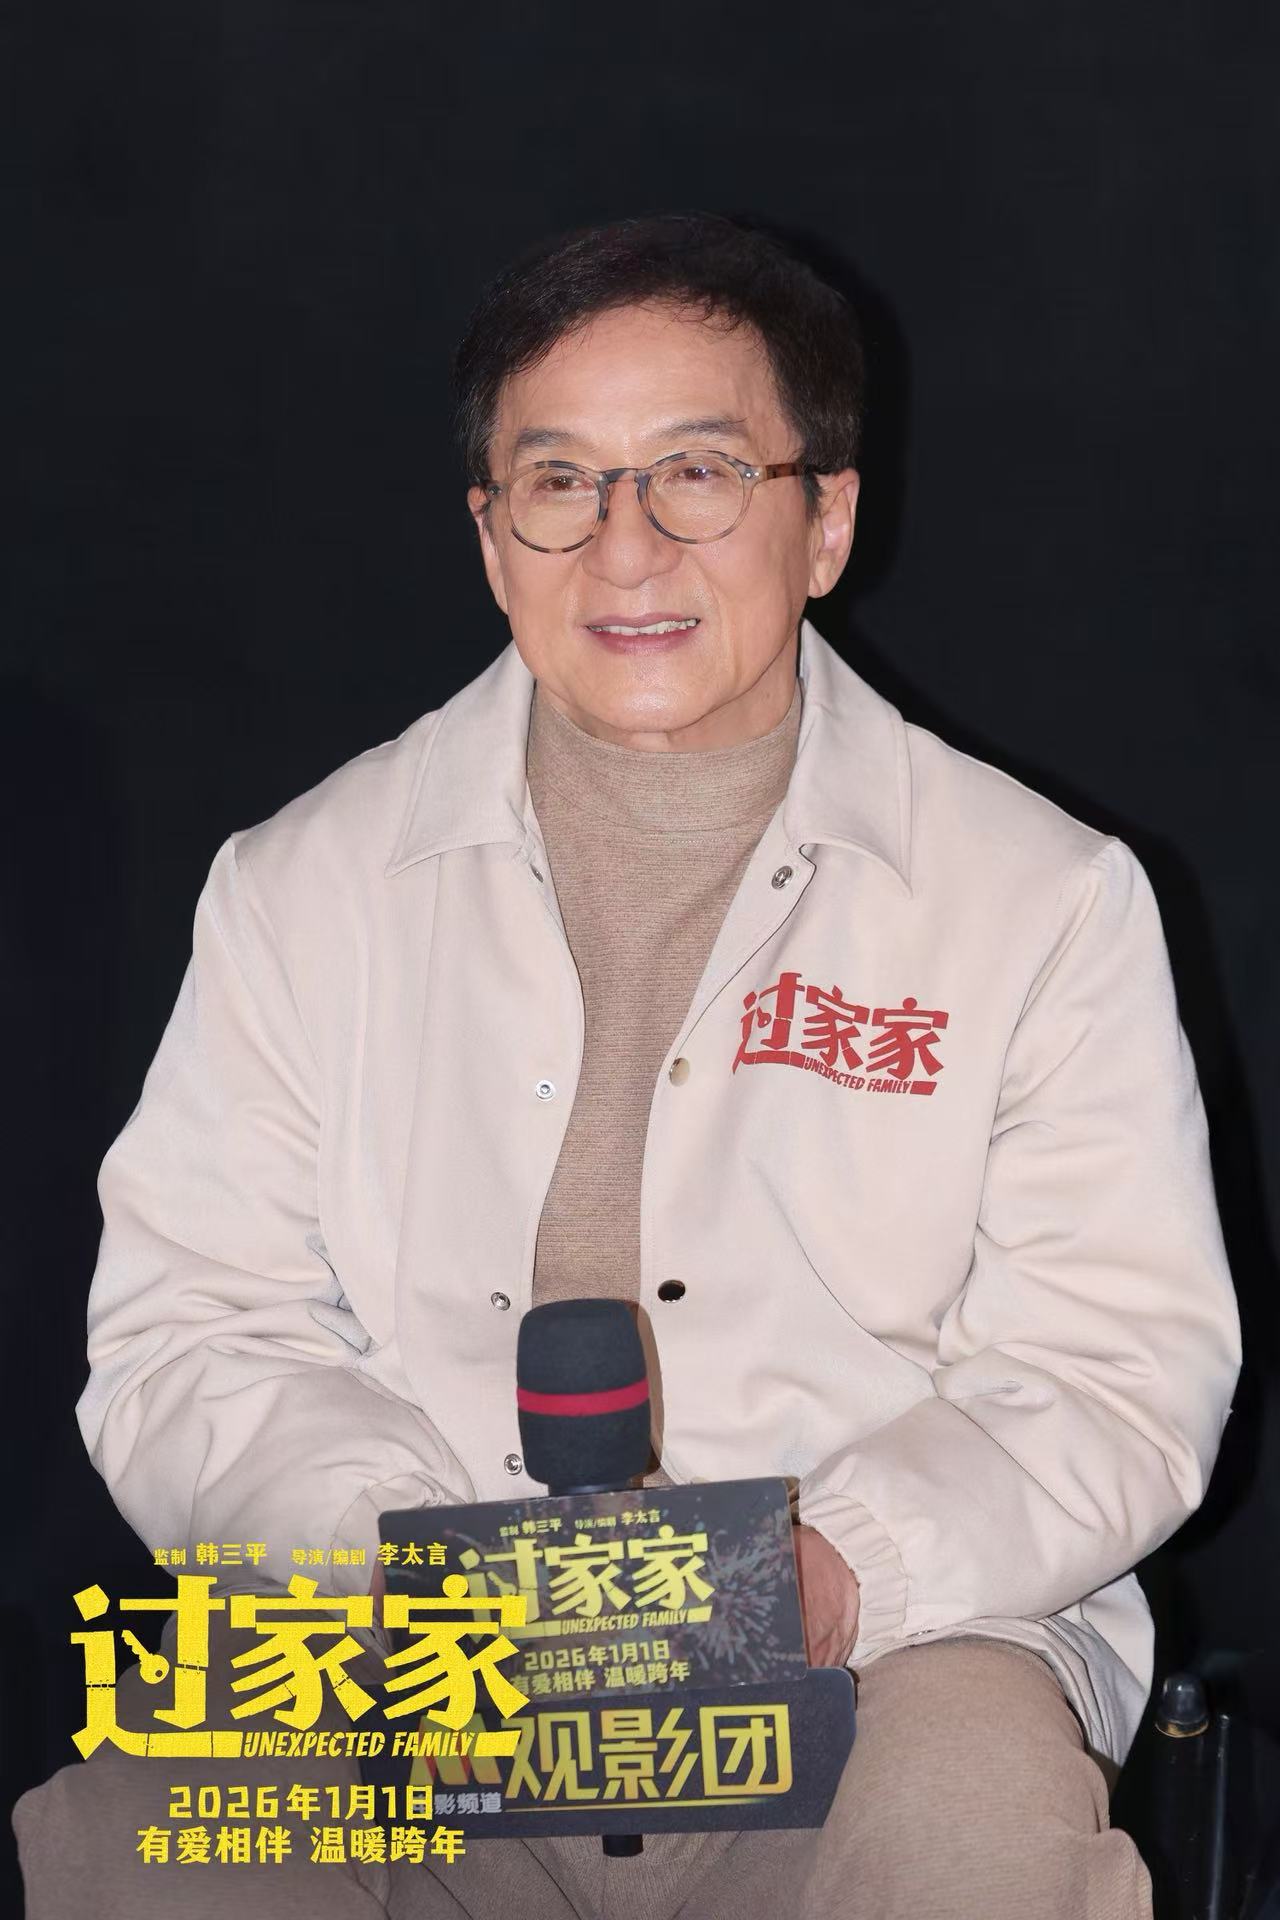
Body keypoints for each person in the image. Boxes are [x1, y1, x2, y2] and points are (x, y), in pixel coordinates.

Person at [15, 211, 1240, 1918]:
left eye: (700, 474)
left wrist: (830, 1574)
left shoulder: (1041, 899)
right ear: (491, 538)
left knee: (974, 1844)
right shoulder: (300, 887)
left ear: (827, 520)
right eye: (561, 484)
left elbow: (1113, 1367)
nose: (627, 546)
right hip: (409, 1650)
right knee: (155, 1832)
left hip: (886, 1649)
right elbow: (190, 1332)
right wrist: (395, 1576)